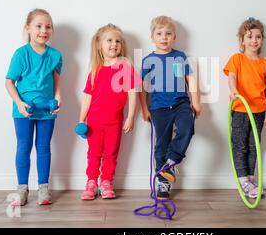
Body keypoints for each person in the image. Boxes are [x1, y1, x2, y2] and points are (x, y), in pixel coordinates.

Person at [139, 15, 202, 200]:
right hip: (158, 107)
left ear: (174, 37)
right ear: (152, 37)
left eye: (168, 34)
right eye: (159, 34)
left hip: (181, 103)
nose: (164, 37)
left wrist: (196, 101)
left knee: (187, 128)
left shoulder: (179, 57)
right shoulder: (149, 60)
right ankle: (162, 182)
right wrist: (144, 109)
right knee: (161, 143)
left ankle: (171, 162)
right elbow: (141, 87)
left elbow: (189, 79)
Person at [5, 9, 62, 205]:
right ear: (28, 28)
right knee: (24, 147)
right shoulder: (21, 54)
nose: (43, 30)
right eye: (38, 26)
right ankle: (22, 189)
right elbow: (9, 82)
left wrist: (58, 98)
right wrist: (19, 103)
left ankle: (43, 189)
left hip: (47, 110)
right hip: (23, 111)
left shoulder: (55, 55)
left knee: (44, 147)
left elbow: (56, 80)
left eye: (48, 27)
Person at [78, 24, 140, 200]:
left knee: (111, 153)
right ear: (99, 44)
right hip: (94, 122)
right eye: (110, 40)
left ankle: (106, 182)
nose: (114, 44)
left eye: (118, 41)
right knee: (94, 153)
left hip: (115, 121)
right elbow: (87, 97)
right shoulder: (95, 70)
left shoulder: (125, 67)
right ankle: (91, 182)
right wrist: (81, 119)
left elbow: (132, 93)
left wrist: (130, 117)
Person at [224, 17, 266, 198]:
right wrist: (234, 90)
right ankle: (243, 180)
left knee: (254, 146)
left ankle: (251, 180)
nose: (254, 40)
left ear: (262, 40)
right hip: (240, 110)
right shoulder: (236, 59)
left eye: (258, 37)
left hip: (259, 111)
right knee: (240, 146)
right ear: (242, 40)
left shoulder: (265, 64)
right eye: (249, 36)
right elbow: (231, 77)